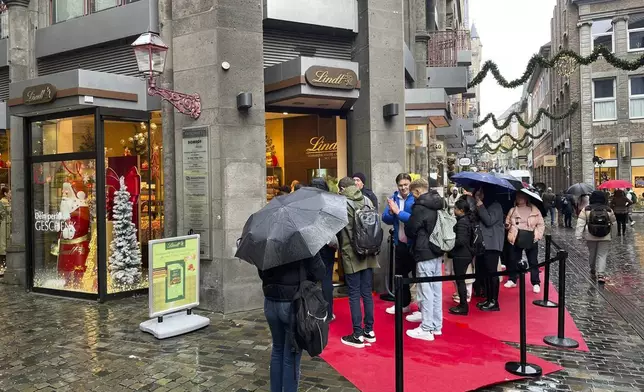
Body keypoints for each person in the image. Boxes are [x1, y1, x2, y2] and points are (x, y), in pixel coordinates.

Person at [258, 253, 326, 392]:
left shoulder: (267, 240)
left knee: (277, 349)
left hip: (270, 301)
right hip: (292, 303)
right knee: (292, 354)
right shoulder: (303, 242)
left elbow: (262, 273)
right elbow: (319, 272)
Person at [337, 177, 379, 348]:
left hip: (351, 254)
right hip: (369, 252)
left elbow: (340, 230)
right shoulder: (367, 199)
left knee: (354, 294)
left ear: (342, 188)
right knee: (367, 293)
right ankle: (369, 331)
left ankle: (357, 334)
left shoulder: (342, 203)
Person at [403, 178, 445, 340]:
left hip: (424, 250)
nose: (412, 196)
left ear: (417, 191)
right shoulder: (438, 203)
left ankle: (427, 328)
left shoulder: (420, 207)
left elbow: (411, 230)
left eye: (413, 193)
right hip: (436, 250)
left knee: (426, 289)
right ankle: (436, 325)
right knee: (435, 289)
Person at [382, 173, 415, 315]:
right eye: (401, 185)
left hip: (414, 244)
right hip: (400, 243)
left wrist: (398, 212)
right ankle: (403, 304)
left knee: (417, 276)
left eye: (406, 184)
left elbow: (415, 220)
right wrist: (391, 212)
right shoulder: (394, 198)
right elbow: (386, 219)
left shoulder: (415, 198)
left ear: (410, 184)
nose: (403, 188)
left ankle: (421, 308)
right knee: (400, 276)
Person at [504, 192, 545, 293]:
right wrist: (507, 226)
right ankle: (512, 279)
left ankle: (535, 282)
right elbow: (508, 223)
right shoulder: (512, 210)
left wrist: (538, 236)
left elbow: (540, 224)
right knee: (513, 259)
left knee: (533, 260)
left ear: (526, 198)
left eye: (522, 196)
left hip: (531, 237)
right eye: (518, 196)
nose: (520, 198)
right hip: (515, 237)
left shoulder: (534, 210)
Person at [310, 178, 338, 321]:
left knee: (312, 280)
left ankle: (313, 312)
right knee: (327, 279)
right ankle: (328, 313)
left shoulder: (306, 203)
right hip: (327, 245)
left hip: (312, 244)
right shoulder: (331, 203)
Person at [576, 191, 617, 284]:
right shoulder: (608, 210)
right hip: (605, 235)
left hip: (590, 234)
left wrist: (578, 235)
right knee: (602, 255)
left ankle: (592, 269)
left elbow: (581, 222)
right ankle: (601, 274)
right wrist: (613, 235)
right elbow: (614, 223)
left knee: (592, 253)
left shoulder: (586, 209)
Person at [475, 187, 505, 311]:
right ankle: (488, 298)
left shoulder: (496, 206)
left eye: (482, 192)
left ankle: (494, 301)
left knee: (492, 273)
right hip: (485, 244)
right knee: (486, 273)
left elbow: (488, 220)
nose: (479, 194)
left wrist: (480, 205)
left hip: (492, 244)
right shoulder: (488, 205)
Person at [448, 199, 475, 315]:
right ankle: (462, 304)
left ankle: (463, 305)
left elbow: (461, 240)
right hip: (465, 254)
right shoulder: (467, 220)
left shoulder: (462, 222)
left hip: (461, 254)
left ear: (461, 210)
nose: (454, 210)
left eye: (455, 208)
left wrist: (450, 243)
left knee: (460, 281)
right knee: (460, 280)